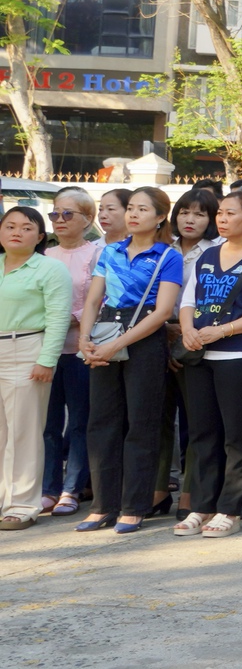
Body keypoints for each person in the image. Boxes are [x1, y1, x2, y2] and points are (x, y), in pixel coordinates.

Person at [173, 190, 242, 540]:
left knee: (238, 437)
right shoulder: (207, 255)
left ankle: (230, 508)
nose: (221, 219)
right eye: (219, 213)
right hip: (199, 356)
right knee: (202, 435)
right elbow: (189, 299)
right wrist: (189, 330)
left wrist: (221, 330)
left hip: (239, 357)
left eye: (230, 213)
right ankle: (202, 506)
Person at [74, 187, 183, 532]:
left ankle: (134, 506)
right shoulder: (111, 251)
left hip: (145, 341)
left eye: (142, 209)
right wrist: (86, 340)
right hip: (104, 333)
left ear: (160, 216)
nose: (133, 215)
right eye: (131, 208)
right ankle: (104, 505)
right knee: (101, 422)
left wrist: (116, 344)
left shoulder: (168, 256)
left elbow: (164, 311)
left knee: (141, 423)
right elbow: (93, 300)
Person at [0, 207, 75, 529]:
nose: (17, 232)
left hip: (27, 348)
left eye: (27, 227)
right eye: (10, 226)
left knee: (23, 432)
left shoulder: (49, 268)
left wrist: (46, 359)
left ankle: (21, 505)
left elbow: (59, 317)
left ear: (40, 236)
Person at [40, 188, 100, 518]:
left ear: (87, 219)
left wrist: (71, 318)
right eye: (54, 214)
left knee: (79, 422)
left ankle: (71, 488)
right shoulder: (45, 255)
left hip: (79, 348)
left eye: (68, 214)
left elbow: (100, 298)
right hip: (46, 350)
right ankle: (48, 488)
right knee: (47, 425)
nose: (59, 220)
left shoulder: (96, 254)